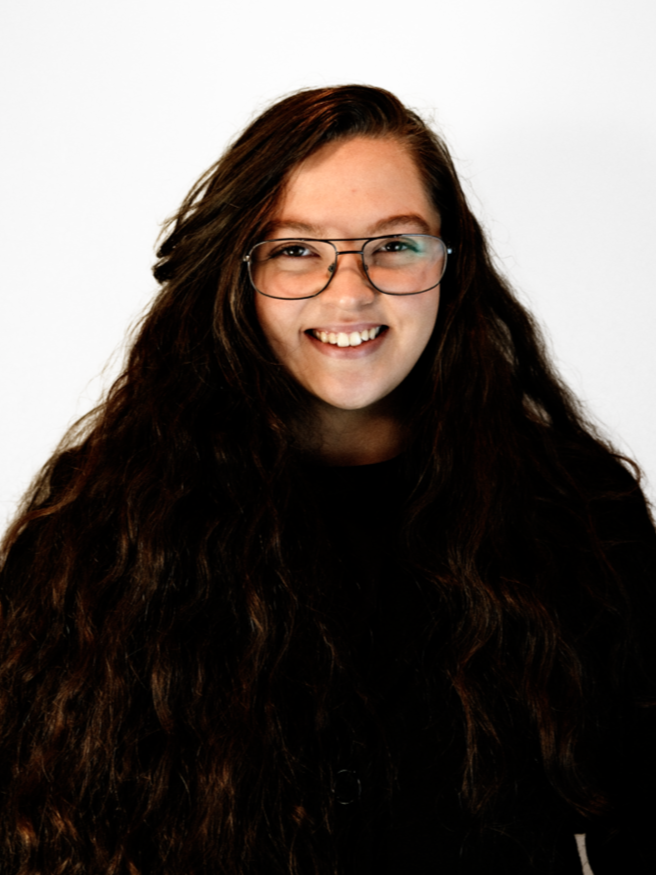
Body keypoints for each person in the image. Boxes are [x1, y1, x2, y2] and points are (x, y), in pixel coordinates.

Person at [0, 85, 654, 875]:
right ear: (238, 274)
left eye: (395, 245)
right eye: (297, 249)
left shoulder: (579, 516)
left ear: (452, 265)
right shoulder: (102, 529)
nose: (350, 292)